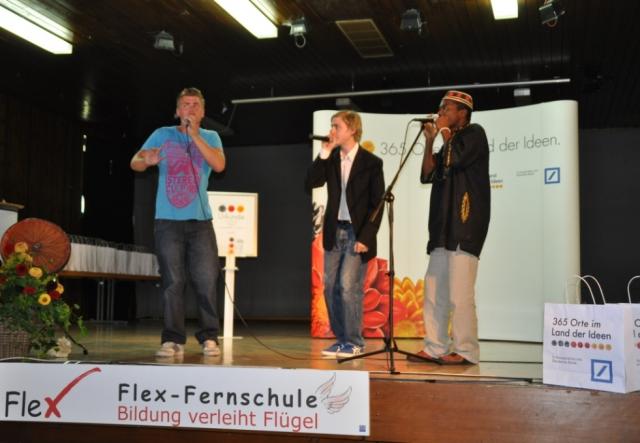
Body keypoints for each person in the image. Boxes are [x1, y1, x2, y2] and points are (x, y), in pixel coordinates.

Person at [130, 87, 226, 358]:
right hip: (167, 222)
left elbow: (219, 165)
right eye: (186, 104)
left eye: (196, 105)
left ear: (203, 112)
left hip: (200, 223)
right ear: (177, 111)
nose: (191, 108)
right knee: (173, 282)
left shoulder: (211, 136)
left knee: (206, 280)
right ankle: (173, 339)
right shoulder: (162, 134)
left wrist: (194, 135)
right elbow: (135, 162)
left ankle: (209, 337)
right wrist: (145, 160)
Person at [408, 90, 490, 365]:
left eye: (446, 108)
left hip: (464, 227)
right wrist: (431, 140)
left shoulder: (474, 134)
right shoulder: (447, 142)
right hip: (442, 230)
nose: (440, 112)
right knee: (434, 292)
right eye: (440, 108)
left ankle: (466, 351)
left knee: (459, 294)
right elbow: (428, 174)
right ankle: (435, 347)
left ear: (463, 112)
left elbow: (457, 158)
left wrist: (442, 132)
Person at [305, 110, 385, 358]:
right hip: (334, 230)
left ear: (352, 129)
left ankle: (354, 341)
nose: (331, 131)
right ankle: (342, 340)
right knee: (330, 287)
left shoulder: (371, 163)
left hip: (356, 233)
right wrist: (324, 153)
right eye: (331, 126)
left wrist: (366, 237)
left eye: (336, 126)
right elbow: (310, 183)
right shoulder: (330, 159)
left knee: (348, 286)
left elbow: (377, 204)